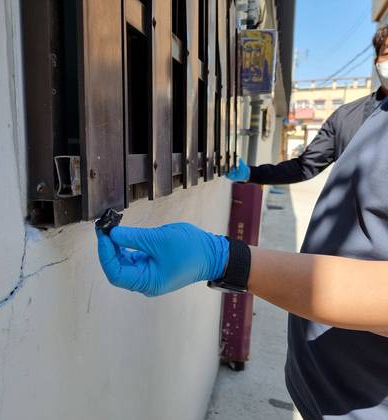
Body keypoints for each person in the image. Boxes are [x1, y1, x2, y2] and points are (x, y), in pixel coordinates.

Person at [96, 27, 388, 419]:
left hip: (368, 398)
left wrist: (223, 259)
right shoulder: (357, 116)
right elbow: (304, 166)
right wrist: (253, 173)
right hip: (315, 376)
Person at [227, 26, 388, 186]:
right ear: (376, 62)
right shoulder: (345, 117)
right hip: (344, 212)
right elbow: (304, 166)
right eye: (386, 54)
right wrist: (251, 173)